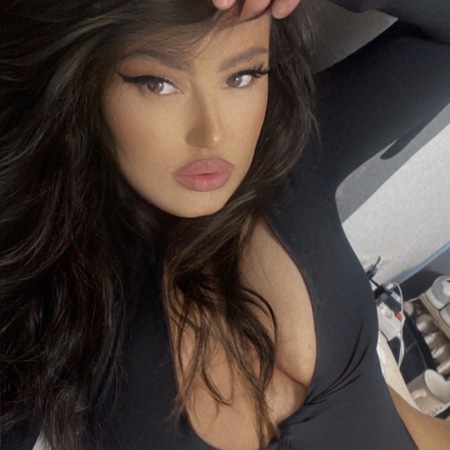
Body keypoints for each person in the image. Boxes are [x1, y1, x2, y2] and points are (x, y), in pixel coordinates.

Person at [1, 1, 449, 449]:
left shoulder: (292, 154)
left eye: (243, 76)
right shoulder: (50, 296)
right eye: (159, 83)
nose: (212, 134)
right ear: (85, 81)